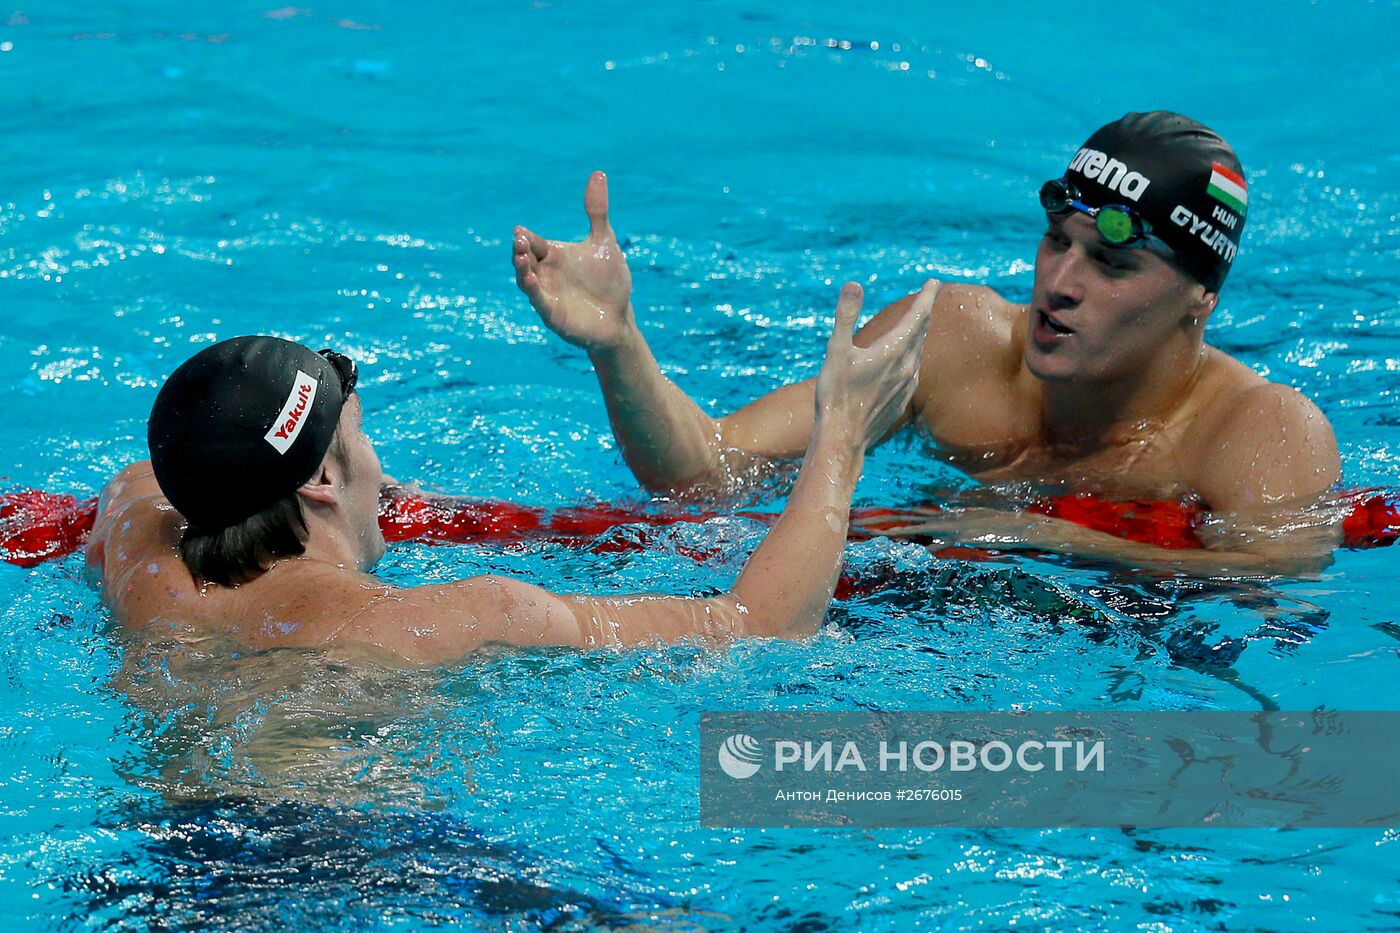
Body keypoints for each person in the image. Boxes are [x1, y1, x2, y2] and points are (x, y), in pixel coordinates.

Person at [512, 112, 1341, 571]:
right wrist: (618, 345)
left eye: (1112, 264)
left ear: (1199, 300)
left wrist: (1046, 536)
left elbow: (1268, 581)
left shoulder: (1261, 432)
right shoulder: (951, 344)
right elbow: (704, 471)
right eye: (1058, 240)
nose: (1060, 282)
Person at [85, 282, 935, 666]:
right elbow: (762, 623)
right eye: (360, 434)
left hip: (176, 862)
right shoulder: (446, 618)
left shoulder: (141, 552)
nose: (380, 466)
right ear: (317, 485)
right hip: (353, 856)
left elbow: (151, 474)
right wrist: (843, 439)